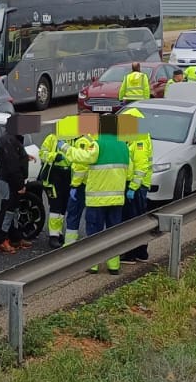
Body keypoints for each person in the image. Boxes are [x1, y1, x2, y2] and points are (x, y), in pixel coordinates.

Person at [68, 114, 133, 274]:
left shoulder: (97, 144)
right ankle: (113, 266)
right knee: (113, 232)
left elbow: (83, 157)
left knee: (94, 232)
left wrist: (66, 149)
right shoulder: (124, 146)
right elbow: (130, 173)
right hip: (117, 199)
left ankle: (94, 265)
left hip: (97, 200)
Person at [37, 114, 80, 247]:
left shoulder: (76, 139)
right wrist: (54, 156)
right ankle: (53, 236)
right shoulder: (52, 138)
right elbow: (42, 153)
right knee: (56, 205)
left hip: (69, 175)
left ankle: (59, 232)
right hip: (54, 175)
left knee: (64, 206)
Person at [117, 107, 153, 262]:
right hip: (136, 185)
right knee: (137, 219)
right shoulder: (135, 137)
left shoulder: (139, 140)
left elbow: (141, 166)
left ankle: (133, 254)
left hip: (137, 186)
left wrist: (132, 187)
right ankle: (140, 252)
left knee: (133, 220)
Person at [0, 116, 32, 253]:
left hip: (12, 180)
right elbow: (12, 166)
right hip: (8, 180)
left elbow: (15, 157)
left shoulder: (13, 138)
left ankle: (15, 238)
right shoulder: (7, 140)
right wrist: (20, 185)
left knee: (14, 209)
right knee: (8, 210)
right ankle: (2, 240)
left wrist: (25, 157)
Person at [61, 114, 99, 246]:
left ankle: (69, 245)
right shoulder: (96, 139)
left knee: (73, 215)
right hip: (95, 185)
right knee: (93, 218)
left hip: (82, 185)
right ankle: (91, 245)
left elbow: (80, 167)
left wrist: (74, 186)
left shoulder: (82, 141)